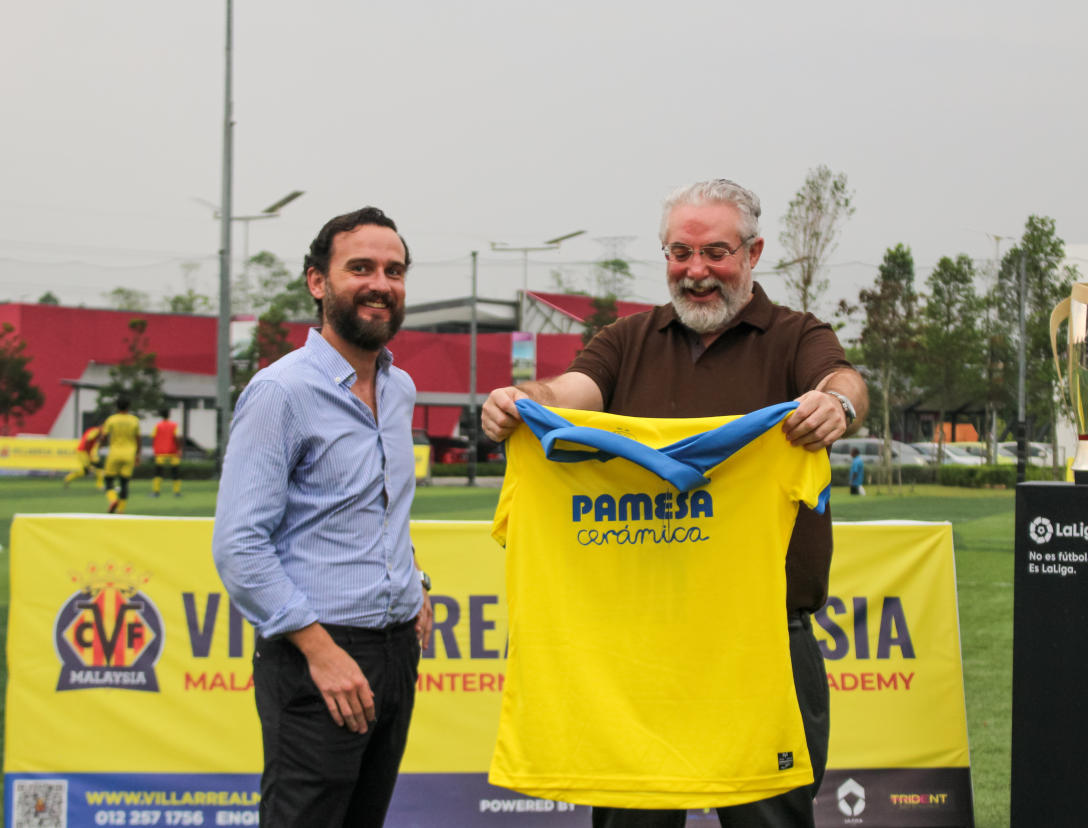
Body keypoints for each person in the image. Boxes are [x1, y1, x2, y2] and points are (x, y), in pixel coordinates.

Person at [482, 179, 869, 828]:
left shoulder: (794, 335)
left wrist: (838, 404)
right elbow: (570, 390)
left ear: (753, 253)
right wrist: (522, 400)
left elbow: (842, 377)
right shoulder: (627, 340)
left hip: (764, 648)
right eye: (678, 253)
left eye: (715, 252)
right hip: (640, 654)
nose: (696, 272)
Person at [212, 207, 432, 828]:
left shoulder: (400, 388)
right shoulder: (281, 392)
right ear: (317, 282)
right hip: (318, 656)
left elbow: (377, 509)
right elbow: (239, 545)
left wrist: (414, 582)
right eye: (359, 267)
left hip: (393, 655)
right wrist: (320, 650)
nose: (380, 283)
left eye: (394, 270)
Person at [100, 398, 141, 513]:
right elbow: (138, 438)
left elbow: (104, 436)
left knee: (108, 480)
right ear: (128, 407)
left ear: (116, 407)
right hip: (129, 454)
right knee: (124, 482)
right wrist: (138, 454)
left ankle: (113, 499)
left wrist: (101, 444)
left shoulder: (111, 420)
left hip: (114, 453)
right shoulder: (134, 420)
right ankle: (121, 510)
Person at [149, 408, 182, 497]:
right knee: (175, 472)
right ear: (169, 415)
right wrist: (179, 449)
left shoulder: (158, 426)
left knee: (158, 472)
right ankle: (177, 492)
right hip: (172, 452)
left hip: (160, 452)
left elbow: (153, 437)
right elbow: (176, 438)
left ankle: (156, 492)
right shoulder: (174, 425)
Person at [63, 422, 105, 489]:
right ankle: (100, 485)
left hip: (82, 451)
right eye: (103, 428)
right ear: (101, 427)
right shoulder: (96, 431)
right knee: (96, 468)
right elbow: (88, 440)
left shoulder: (94, 431)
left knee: (86, 471)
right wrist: (88, 452)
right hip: (83, 452)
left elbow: (91, 441)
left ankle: (68, 478)